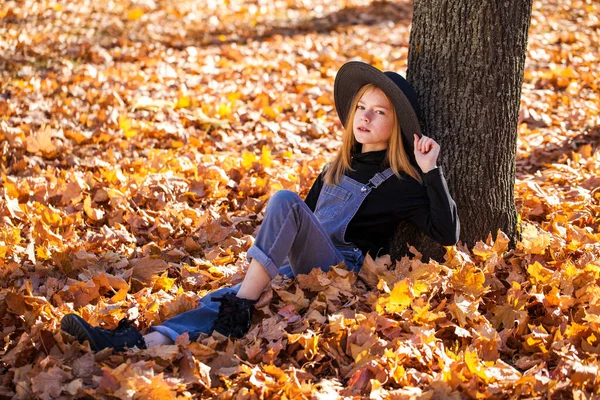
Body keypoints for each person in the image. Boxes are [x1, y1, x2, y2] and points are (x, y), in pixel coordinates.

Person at [60, 61, 460, 351]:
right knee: (219, 297)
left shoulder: (401, 180)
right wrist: (269, 271)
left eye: (380, 112)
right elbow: (301, 224)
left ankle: (242, 302)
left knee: (282, 204)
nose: (366, 117)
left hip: (339, 269)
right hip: (300, 264)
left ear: (396, 125)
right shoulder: (336, 167)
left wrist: (431, 172)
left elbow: (448, 235)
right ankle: (139, 341)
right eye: (361, 108)